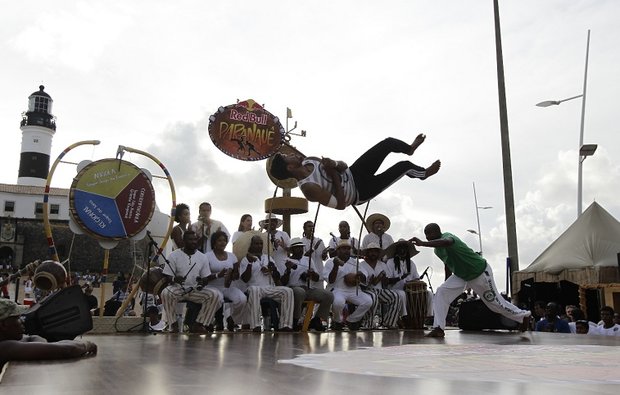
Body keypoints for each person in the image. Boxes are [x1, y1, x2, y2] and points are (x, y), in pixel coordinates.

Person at [412, 223, 531, 338]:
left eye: (429, 233)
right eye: (425, 234)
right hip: (462, 275)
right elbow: (448, 265)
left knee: (494, 304)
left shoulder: (448, 237)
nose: (427, 236)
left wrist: (423, 243)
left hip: (479, 272)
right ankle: (439, 328)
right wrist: (447, 282)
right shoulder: (437, 250)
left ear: (437, 231)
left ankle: (523, 316)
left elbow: (447, 242)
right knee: (441, 292)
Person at [269, 135, 441, 210]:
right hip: (360, 192)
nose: (291, 153)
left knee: (387, 143)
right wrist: (334, 174)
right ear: (290, 168)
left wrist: (334, 164)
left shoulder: (310, 160)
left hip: (354, 172)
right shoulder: (309, 189)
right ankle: (423, 174)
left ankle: (409, 148)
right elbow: (341, 205)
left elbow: (343, 166)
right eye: (287, 156)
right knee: (403, 166)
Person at [0, 298, 97, 369]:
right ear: (4, 325)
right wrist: (87, 344)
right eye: (17, 318)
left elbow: (33, 338)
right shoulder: (4, 347)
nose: (22, 321)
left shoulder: (5, 342)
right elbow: (69, 349)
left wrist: (41, 348)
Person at [161, 230, 224, 334]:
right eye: (190, 239)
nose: (194, 242)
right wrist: (175, 279)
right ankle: (173, 324)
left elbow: (206, 278)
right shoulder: (173, 255)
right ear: (184, 241)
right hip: (178, 289)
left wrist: (203, 281)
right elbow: (167, 277)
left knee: (215, 295)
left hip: (195, 290)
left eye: (195, 239)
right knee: (165, 293)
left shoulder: (202, 257)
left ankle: (199, 324)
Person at [239, 235, 294, 332]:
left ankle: (285, 325)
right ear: (251, 245)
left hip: (269, 288)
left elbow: (277, 277)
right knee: (255, 290)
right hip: (254, 288)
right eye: (256, 243)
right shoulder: (246, 259)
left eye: (261, 243)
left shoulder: (268, 258)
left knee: (288, 291)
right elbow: (245, 279)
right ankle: (255, 325)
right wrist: (250, 264)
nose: (259, 245)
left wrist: (272, 269)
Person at [279, 238, 333, 331]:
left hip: (308, 288)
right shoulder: (285, 261)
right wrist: (288, 270)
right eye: (297, 248)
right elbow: (283, 282)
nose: (300, 250)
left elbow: (316, 278)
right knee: (299, 292)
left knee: (328, 295)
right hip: (293, 288)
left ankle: (316, 320)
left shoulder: (308, 260)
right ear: (292, 249)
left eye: (301, 247)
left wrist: (311, 274)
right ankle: (295, 320)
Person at [323, 240, 373, 331]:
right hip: (337, 289)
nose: (346, 251)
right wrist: (335, 266)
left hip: (353, 289)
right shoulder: (330, 262)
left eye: (348, 249)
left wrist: (360, 275)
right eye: (343, 249)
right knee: (338, 302)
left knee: (368, 301)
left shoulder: (355, 262)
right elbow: (330, 281)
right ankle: (337, 321)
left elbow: (365, 278)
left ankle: (351, 320)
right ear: (338, 251)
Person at [205, 231, 247, 331]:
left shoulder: (232, 256)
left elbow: (237, 274)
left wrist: (232, 275)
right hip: (211, 287)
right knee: (218, 298)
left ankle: (231, 318)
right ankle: (209, 321)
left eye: (224, 240)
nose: (222, 243)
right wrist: (217, 275)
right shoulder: (207, 256)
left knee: (242, 299)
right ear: (214, 242)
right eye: (220, 240)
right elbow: (204, 277)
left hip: (227, 286)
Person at [384, 239, 432, 324]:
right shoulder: (390, 262)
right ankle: (403, 317)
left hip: (411, 291)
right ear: (397, 250)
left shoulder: (411, 263)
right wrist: (401, 278)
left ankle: (426, 316)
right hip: (395, 289)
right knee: (402, 294)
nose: (403, 250)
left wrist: (414, 283)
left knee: (429, 294)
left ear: (407, 250)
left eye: (405, 248)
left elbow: (416, 278)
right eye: (400, 248)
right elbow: (388, 280)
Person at [358, 242, 402, 329]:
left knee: (396, 296)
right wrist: (373, 279)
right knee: (372, 297)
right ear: (367, 253)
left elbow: (386, 282)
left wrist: (384, 279)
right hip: (365, 291)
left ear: (378, 253)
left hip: (380, 291)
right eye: (371, 251)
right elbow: (365, 283)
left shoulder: (382, 265)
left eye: (375, 251)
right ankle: (367, 324)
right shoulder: (361, 265)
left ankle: (389, 322)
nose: (373, 253)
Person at [300, 221, 327, 288]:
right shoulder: (301, 241)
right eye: (309, 226)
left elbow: (324, 258)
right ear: (304, 228)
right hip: (307, 275)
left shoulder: (320, 241)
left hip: (319, 272)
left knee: (321, 296)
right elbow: (302, 257)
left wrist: (324, 254)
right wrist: (314, 248)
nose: (311, 228)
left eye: (312, 226)